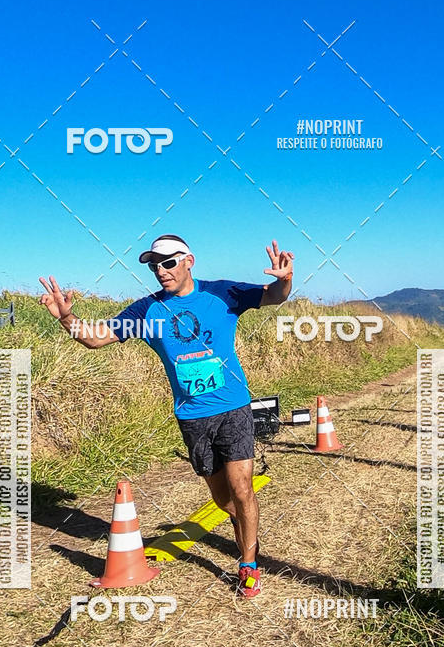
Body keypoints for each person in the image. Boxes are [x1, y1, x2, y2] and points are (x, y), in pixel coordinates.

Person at [39, 234, 294, 598]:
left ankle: (248, 564)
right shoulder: (147, 311)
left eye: (168, 262)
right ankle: (245, 525)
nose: (161, 270)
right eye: (154, 265)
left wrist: (285, 280)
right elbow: (95, 337)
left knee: (242, 488)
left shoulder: (224, 294)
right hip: (193, 418)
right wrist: (66, 318)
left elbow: (273, 296)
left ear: (189, 260)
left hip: (233, 407)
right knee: (224, 502)